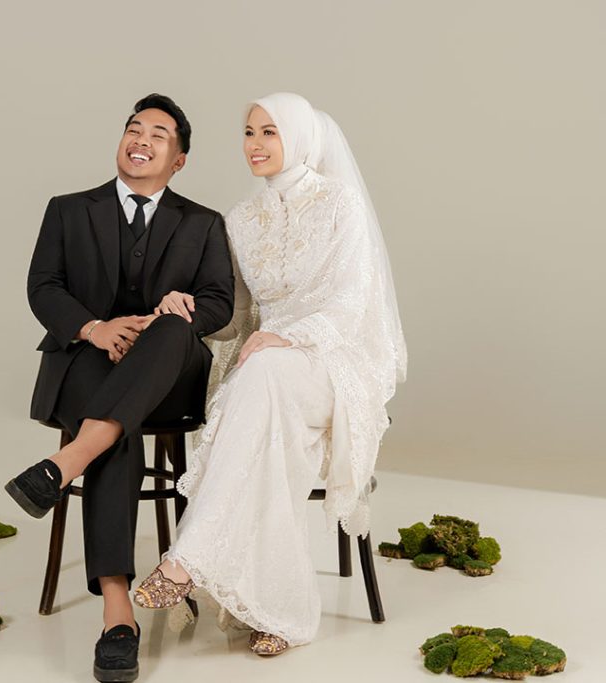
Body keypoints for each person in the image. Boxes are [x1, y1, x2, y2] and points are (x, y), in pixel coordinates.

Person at [133, 92, 407, 656]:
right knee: (264, 407)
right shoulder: (241, 219)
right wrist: (188, 306)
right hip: (268, 368)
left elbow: (353, 301)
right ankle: (277, 614)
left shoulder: (340, 203)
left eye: (269, 132)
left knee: (261, 376)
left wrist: (290, 337)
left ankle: (187, 558)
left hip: (332, 361)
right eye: (248, 132)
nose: (254, 145)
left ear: (300, 137)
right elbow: (236, 318)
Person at [6, 93, 234, 682]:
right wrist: (95, 328)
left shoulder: (204, 222)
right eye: (135, 129)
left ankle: (66, 463)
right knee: (116, 426)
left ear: (178, 160)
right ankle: (118, 615)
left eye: (159, 135)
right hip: (85, 361)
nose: (142, 140)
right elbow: (43, 286)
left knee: (172, 329)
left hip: (169, 377)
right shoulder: (67, 210)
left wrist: (176, 311)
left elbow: (220, 303)